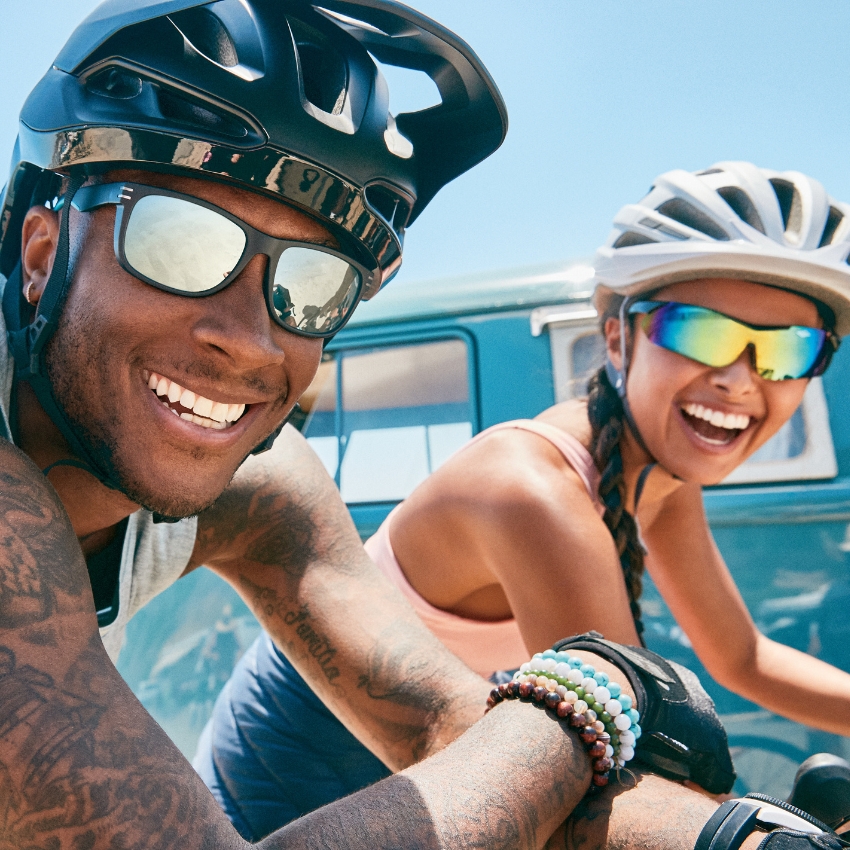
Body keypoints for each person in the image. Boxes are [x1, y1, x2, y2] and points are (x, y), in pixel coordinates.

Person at [0, 1, 775, 848]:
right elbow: (527, 751)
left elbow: (452, 734)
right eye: (180, 242)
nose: (250, 339)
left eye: (311, 283)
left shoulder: (263, 488)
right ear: (42, 255)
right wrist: (588, 691)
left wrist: (747, 837)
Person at [197, 161, 850, 836]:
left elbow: (741, 656)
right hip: (298, 770)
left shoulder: (661, 479)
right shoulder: (533, 493)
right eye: (700, 332)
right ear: (619, 338)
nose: (740, 381)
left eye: (785, 351)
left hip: (428, 749)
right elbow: (631, 770)